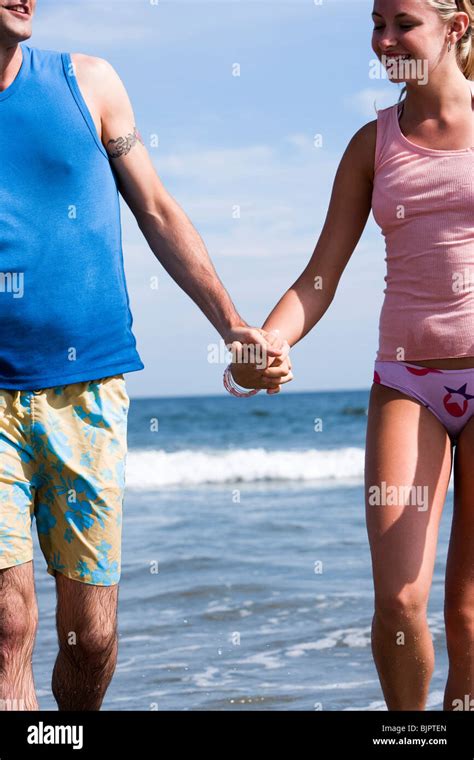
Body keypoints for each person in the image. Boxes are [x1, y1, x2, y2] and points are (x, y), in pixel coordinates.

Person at [0, 1, 293, 711]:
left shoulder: (89, 83)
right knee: (8, 624)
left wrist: (232, 326)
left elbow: (158, 210)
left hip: (89, 390)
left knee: (89, 638)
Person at [230, 0, 474, 711]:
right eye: (377, 23)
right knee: (399, 605)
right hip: (407, 384)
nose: (385, 39)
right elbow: (319, 275)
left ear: (457, 24)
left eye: (403, 22)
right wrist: (269, 340)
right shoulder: (373, 144)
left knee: (467, 617)